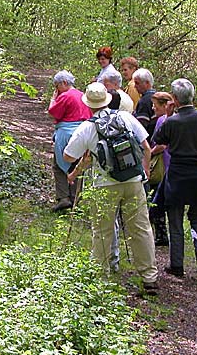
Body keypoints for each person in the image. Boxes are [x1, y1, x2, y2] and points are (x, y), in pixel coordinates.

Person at [64, 82, 159, 294]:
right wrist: (144, 172)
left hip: (104, 185)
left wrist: (87, 154)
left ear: (88, 104)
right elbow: (146, 147)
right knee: (141, 228)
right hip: (133, 181)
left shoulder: (88, 127)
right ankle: (149, 277)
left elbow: (68, 156)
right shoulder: (125, 117)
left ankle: (101, 277)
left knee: (103, 231)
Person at [152, 79, 197, 278]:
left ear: (174, 99)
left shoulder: (172, 121)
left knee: (175, 219)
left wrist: (167, 115)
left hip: (177, 176)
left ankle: (177, 265)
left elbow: (158, 138)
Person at [47, 70, 91, 212]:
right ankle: (75, 198)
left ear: (64, 83)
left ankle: (63, 198)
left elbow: (54, 112)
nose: (56, 89)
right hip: (82, 134)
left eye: (57, 85)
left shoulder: (65, 96)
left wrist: (53, 100)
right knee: (77, 165)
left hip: (66, 133)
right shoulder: (83, 95)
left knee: (59, 165)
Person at [148, 91, 174, 246]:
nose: (152, 108)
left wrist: (149, 153)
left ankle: (161, 233)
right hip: (171, 164)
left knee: (157, 198)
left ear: (165, 106)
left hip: (163, 164)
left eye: (155, 105)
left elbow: (161, 145)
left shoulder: (163, 121)